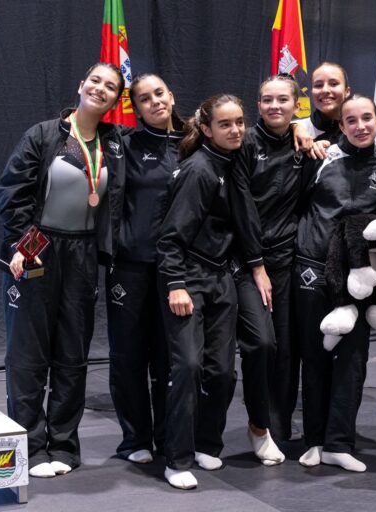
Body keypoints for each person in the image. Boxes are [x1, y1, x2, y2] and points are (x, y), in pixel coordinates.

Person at [0, 62, 125, 478]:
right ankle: (30, 447)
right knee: (29, 354)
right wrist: (24, 244)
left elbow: (171, 135)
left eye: (111, 86)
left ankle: (65, 446)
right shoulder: (44, 134)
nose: (101, 89)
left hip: (84, 256)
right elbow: (12, 193)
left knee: (73, 354)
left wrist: (301, 129)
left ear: (115, 100)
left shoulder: (115, 141)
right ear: (81, 84)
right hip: (38, 247)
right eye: (95, 81)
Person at [295, 94, 376, 472]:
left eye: (367, 119)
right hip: (312, 266)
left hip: (358, 275)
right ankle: (314, 440)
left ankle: (340, 442)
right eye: (351, 120)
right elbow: (296, 204)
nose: (360, 126)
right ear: (341, 125)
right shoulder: (321, 158)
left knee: (352, 359)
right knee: (314, 354)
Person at [156, 94, 245, 489]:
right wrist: (177, 284)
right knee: (188, 367)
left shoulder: (231, 161)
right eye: (225, 124)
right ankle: (176, 459)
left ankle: (208, 443)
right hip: (188, 278)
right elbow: (171, 237)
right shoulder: (198, 170)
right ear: (206, 129)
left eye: (240, 121)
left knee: (223, 371)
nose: (235, 129)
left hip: (222, 278)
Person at [230, 75, 311, 463]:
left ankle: (277, 430)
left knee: (286, 350)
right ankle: (258, 424)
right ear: (257, 104)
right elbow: (241, 206)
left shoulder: (302, 145)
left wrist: (308, 136)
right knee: (261, 346)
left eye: (282, 100)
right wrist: (255, 262)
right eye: (266, 100)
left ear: (296, 105)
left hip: (289, 261)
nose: (274, 106)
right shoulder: (243, 144)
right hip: (248, 261)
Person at [105, 74, 182, 465]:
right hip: (131, 267)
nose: (154, 102)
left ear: (171, 96)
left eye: (159, 94)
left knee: (171, 359)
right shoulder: (122, 143)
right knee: (128, 355)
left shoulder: (194, 142)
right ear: (133, 107)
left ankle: (170, 437)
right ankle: (134, 439)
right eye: (143, 98)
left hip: (178, 273)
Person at [296, 61, 351, 143]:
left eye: (333, 84)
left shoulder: (359, 130)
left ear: (347, 91)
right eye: (318, 85)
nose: (325, 90)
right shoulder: (295, 130)